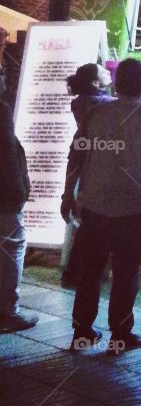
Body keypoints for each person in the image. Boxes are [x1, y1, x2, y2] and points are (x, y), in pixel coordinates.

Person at [61, 58, 141, 354]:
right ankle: (121, 334)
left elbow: (76, 158)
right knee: (126, 273)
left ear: (116, 82)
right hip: (136, 210)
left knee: (90, 272)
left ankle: (82, 332)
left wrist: (67, 196)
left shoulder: (96, 115)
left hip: (96, 208)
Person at [61, 64, 116, 288]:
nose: (109, 73)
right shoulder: (103, 104)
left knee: (89, 222)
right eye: (104, 72)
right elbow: (138, 106)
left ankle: (77, 270)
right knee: (97, 223)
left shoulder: (83, 102)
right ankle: (83, 271)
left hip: (83, 163)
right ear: (95, 83)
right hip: (99, 167)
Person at [0, 28, 38, 333]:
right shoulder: (0, 111)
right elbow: (7, 156)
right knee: (11, 248)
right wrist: (18, 192)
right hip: (4, 199)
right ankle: (7, 312)